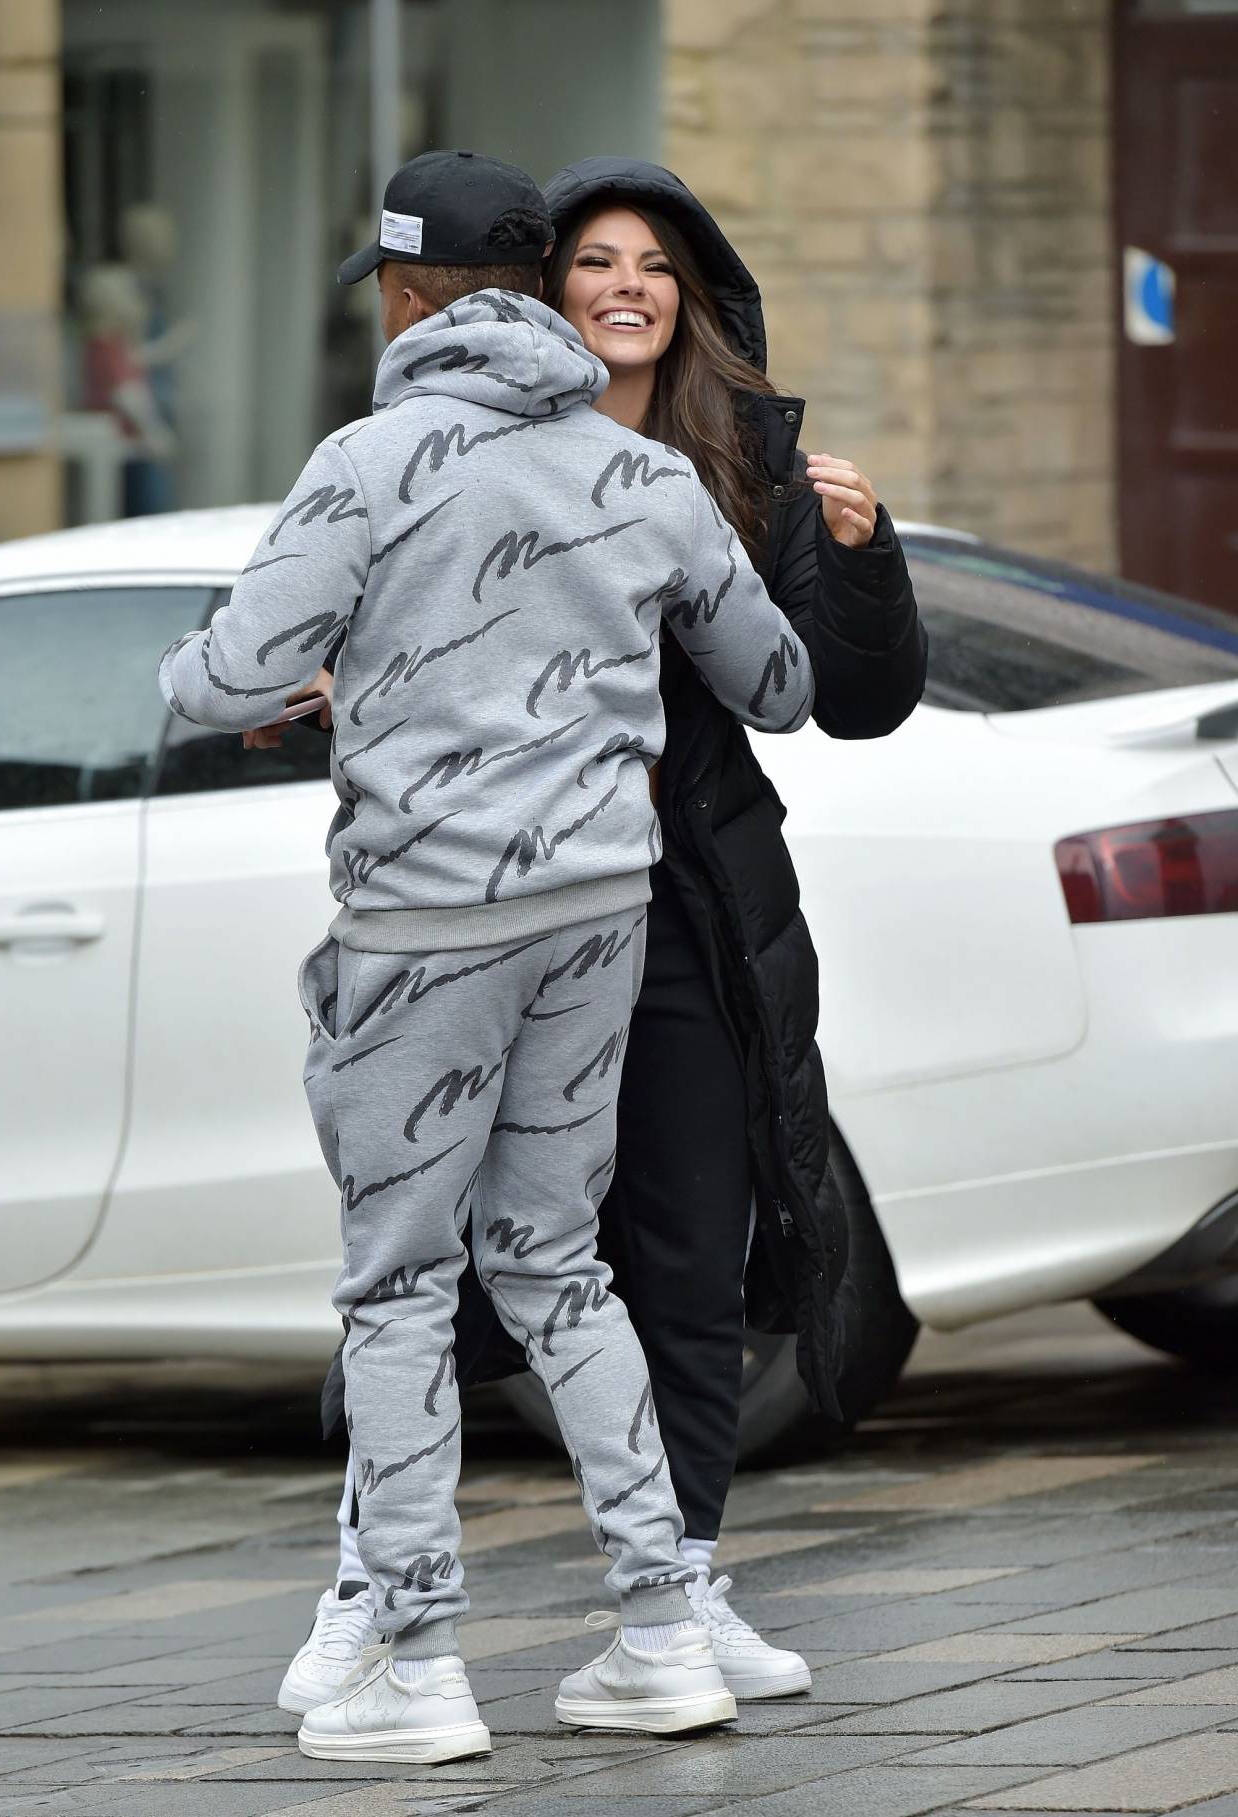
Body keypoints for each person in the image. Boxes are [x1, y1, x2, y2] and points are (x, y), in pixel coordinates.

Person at [159, 150, 817, 1765]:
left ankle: (420, 1656)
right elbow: (783, 682)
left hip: (423, 926)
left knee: (400, 1282)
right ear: (535, 293)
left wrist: (319, 667)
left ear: (401, 295)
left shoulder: (367, 464)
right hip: (599, 910)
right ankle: (664, 1628)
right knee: (554, 1259)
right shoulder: (637, 472)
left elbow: (223, 672)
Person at [284, 158, 926, 1713]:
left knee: (687, 1265)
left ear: (688, 296)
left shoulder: (738, 452)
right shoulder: (447, 446)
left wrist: (862, 559)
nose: (627, 284)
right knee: (435, 1272)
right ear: (537, 292)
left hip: (683, 912)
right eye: (596, 261)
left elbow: (847, 697)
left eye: (657, 264)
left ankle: (679, 1592)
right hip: (490, 909)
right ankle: (369, 1592)